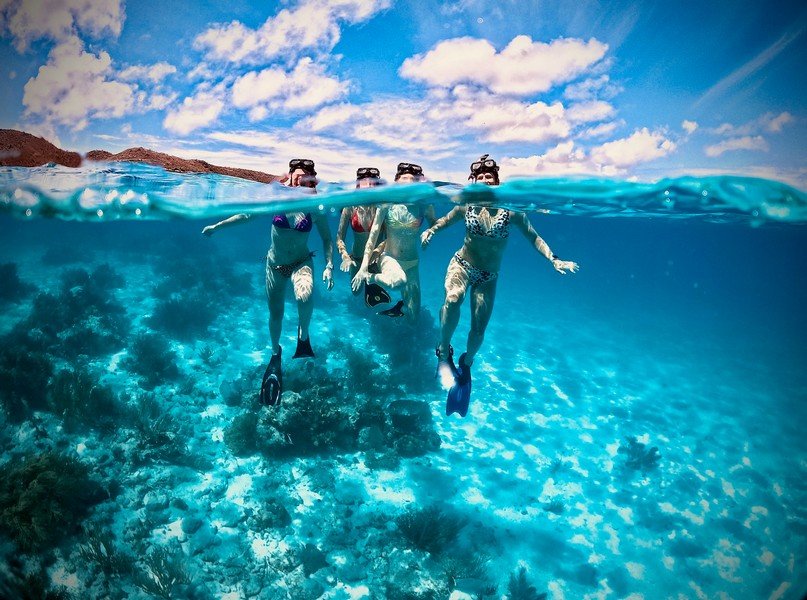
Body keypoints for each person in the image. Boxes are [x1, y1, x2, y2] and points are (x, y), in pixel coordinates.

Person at [420, 154, 579, 417]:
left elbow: (534, 237)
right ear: (473, 182)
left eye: (489, 178)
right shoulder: (466, 205)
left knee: (478, 331)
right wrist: (431, 231)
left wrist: (554, 259)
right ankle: (443, 351)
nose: (484, 182)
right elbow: (445, 221)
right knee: (452, 299)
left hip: (488, 276)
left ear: (497, 182)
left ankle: (466, 364)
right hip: (461, 263)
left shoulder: (511, 210)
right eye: (480, 178)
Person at [202, 158, 334, 406]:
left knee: (305, 297)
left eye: (306, 177)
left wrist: (329, 264)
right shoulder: (276, 197)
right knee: (276, 314)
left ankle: (303, 337)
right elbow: (245, 215)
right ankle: (276, 354)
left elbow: (327, 239)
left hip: (302, 261)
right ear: (289, 175)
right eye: (297, 175)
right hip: (274, 264)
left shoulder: (314, 205)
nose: (300, 180)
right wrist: (217, 226)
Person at [351, 162, 435, 319]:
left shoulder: (423, 204)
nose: (408, 183)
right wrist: (363, 268)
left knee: (414, 317)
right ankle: (370, 278)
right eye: (404, 178)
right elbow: (373, 236)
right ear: (397, 181)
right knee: (398, 282)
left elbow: (434, 222)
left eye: (413, 180)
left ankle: (398, 309)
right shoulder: (386, 203)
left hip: (412, 262)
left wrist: (431, 231)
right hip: (389, 257)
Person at [335, 168, 391, 307]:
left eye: (373, 183)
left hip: (377, 259)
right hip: (356, 259)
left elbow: (389, 238)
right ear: (358, 184)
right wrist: (345, 257)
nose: (369, 186)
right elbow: (339, 237)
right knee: (355, 292)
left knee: (378, 299)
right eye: (365, 182)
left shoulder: (383, 207)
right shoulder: (350, 207)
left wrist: (375, 255)